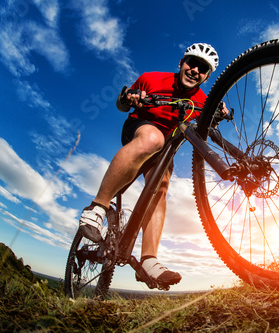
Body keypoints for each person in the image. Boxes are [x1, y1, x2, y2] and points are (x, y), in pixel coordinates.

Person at [78, 43, 223, 287]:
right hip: (139, 130)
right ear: (180, 63)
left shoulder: (202, 101)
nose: (195, 70)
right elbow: (122, 104)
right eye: (191, 63)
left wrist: (218, 113)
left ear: (207, 76)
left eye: (202, 68)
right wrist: (129, 98)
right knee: (153, 139)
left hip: (164, 149)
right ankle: (97, 208)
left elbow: (208, 126)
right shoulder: (151, 78)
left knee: (162, 183)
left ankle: (149, 259)